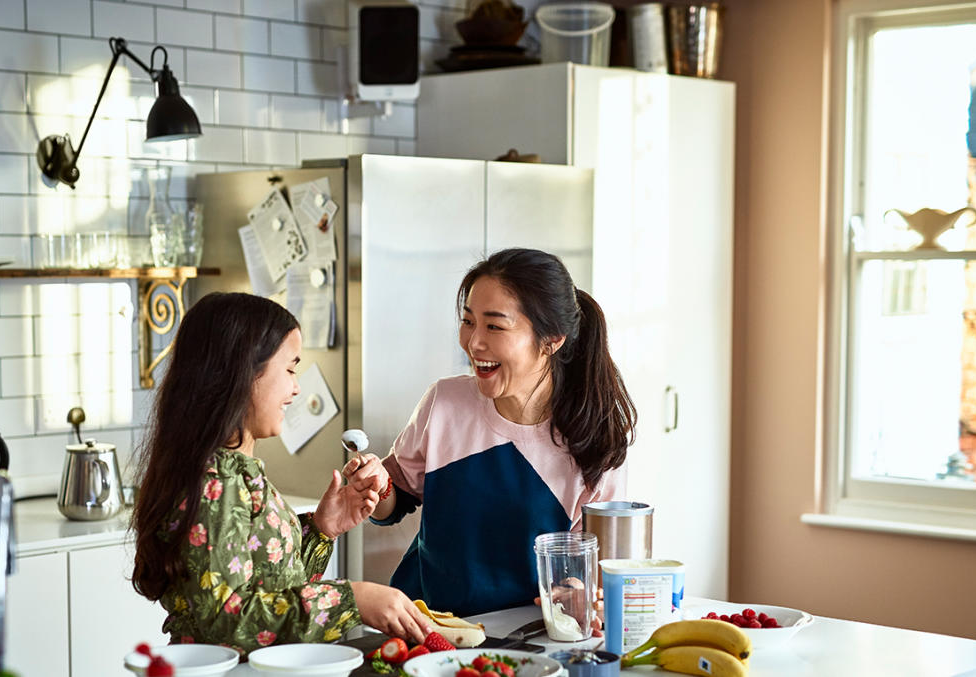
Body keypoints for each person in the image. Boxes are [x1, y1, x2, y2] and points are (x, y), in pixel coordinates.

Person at [345, 248, 638, 617]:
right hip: (427, 627)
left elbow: (591, 572)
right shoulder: (445, 402)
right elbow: (395, 498)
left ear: (551, 340)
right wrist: (375, 485)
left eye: (494, 326)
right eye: (469, 322)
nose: (473, 342)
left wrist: (580, 592)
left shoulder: (595, 441)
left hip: (527, 636)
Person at [131, 292, 429, 653]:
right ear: (241, 372)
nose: (296, 387)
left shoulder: (236, 472)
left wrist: (321, 529)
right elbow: (227, 621)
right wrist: (351, 599)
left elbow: (269, 589)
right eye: (289, 368)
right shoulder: (216, 482)